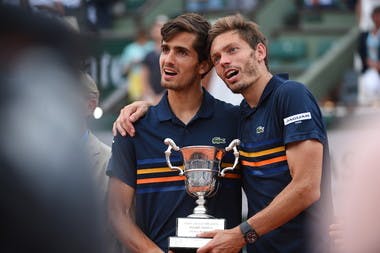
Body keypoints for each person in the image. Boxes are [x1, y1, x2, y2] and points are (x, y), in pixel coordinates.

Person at [113, 13, 333, 253]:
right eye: (218, 56)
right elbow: (116, 212)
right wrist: (147, 109)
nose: (224, 61)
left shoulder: (282, 99)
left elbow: (307, 187)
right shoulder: (136, 125)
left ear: (260, 52)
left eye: (232, 50)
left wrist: (241, 235)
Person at [106, 13, 242, 253]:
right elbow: (117, 211)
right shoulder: (133, 127)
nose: (168, 60)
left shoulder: (236, 121)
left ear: (203, 65)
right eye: (165, 49)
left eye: (181, 52)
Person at [140, 15, 168, 104]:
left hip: (168, 96)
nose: (157, 29)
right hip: (151, 97)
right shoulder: (148, 55)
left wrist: (165, 95)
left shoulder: (171, 54)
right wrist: (148, 93)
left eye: (160, 27)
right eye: (156, 27)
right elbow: (144, 76)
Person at [358, 5, 380, 106]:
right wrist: (369, 63)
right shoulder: (365, 34)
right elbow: (362, 52)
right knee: (370, 85)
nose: (377, 18)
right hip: (370, 68)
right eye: (375, 16)